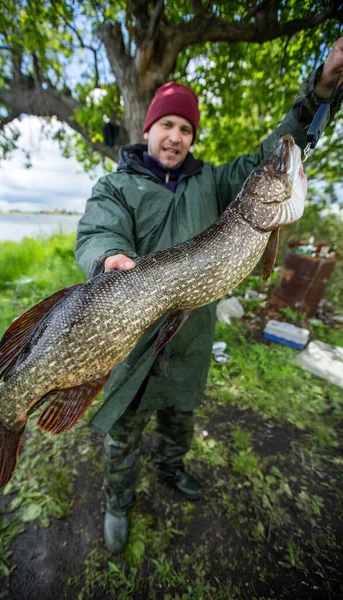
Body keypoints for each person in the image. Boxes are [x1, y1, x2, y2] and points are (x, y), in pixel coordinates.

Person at [75, 38, 343, 553]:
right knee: (123, 432)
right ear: (147, 129)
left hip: (191, 337)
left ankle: (171, 469)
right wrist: (107, 257)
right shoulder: (116, 186)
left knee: (180, 417)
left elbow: (274, 154)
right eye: (166, 125)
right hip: (131, 334)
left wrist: (320, 90)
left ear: (192, 137)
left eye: (185, 128)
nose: (175, 136)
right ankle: (118, 500)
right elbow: (96, 233)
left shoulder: (215, 183)